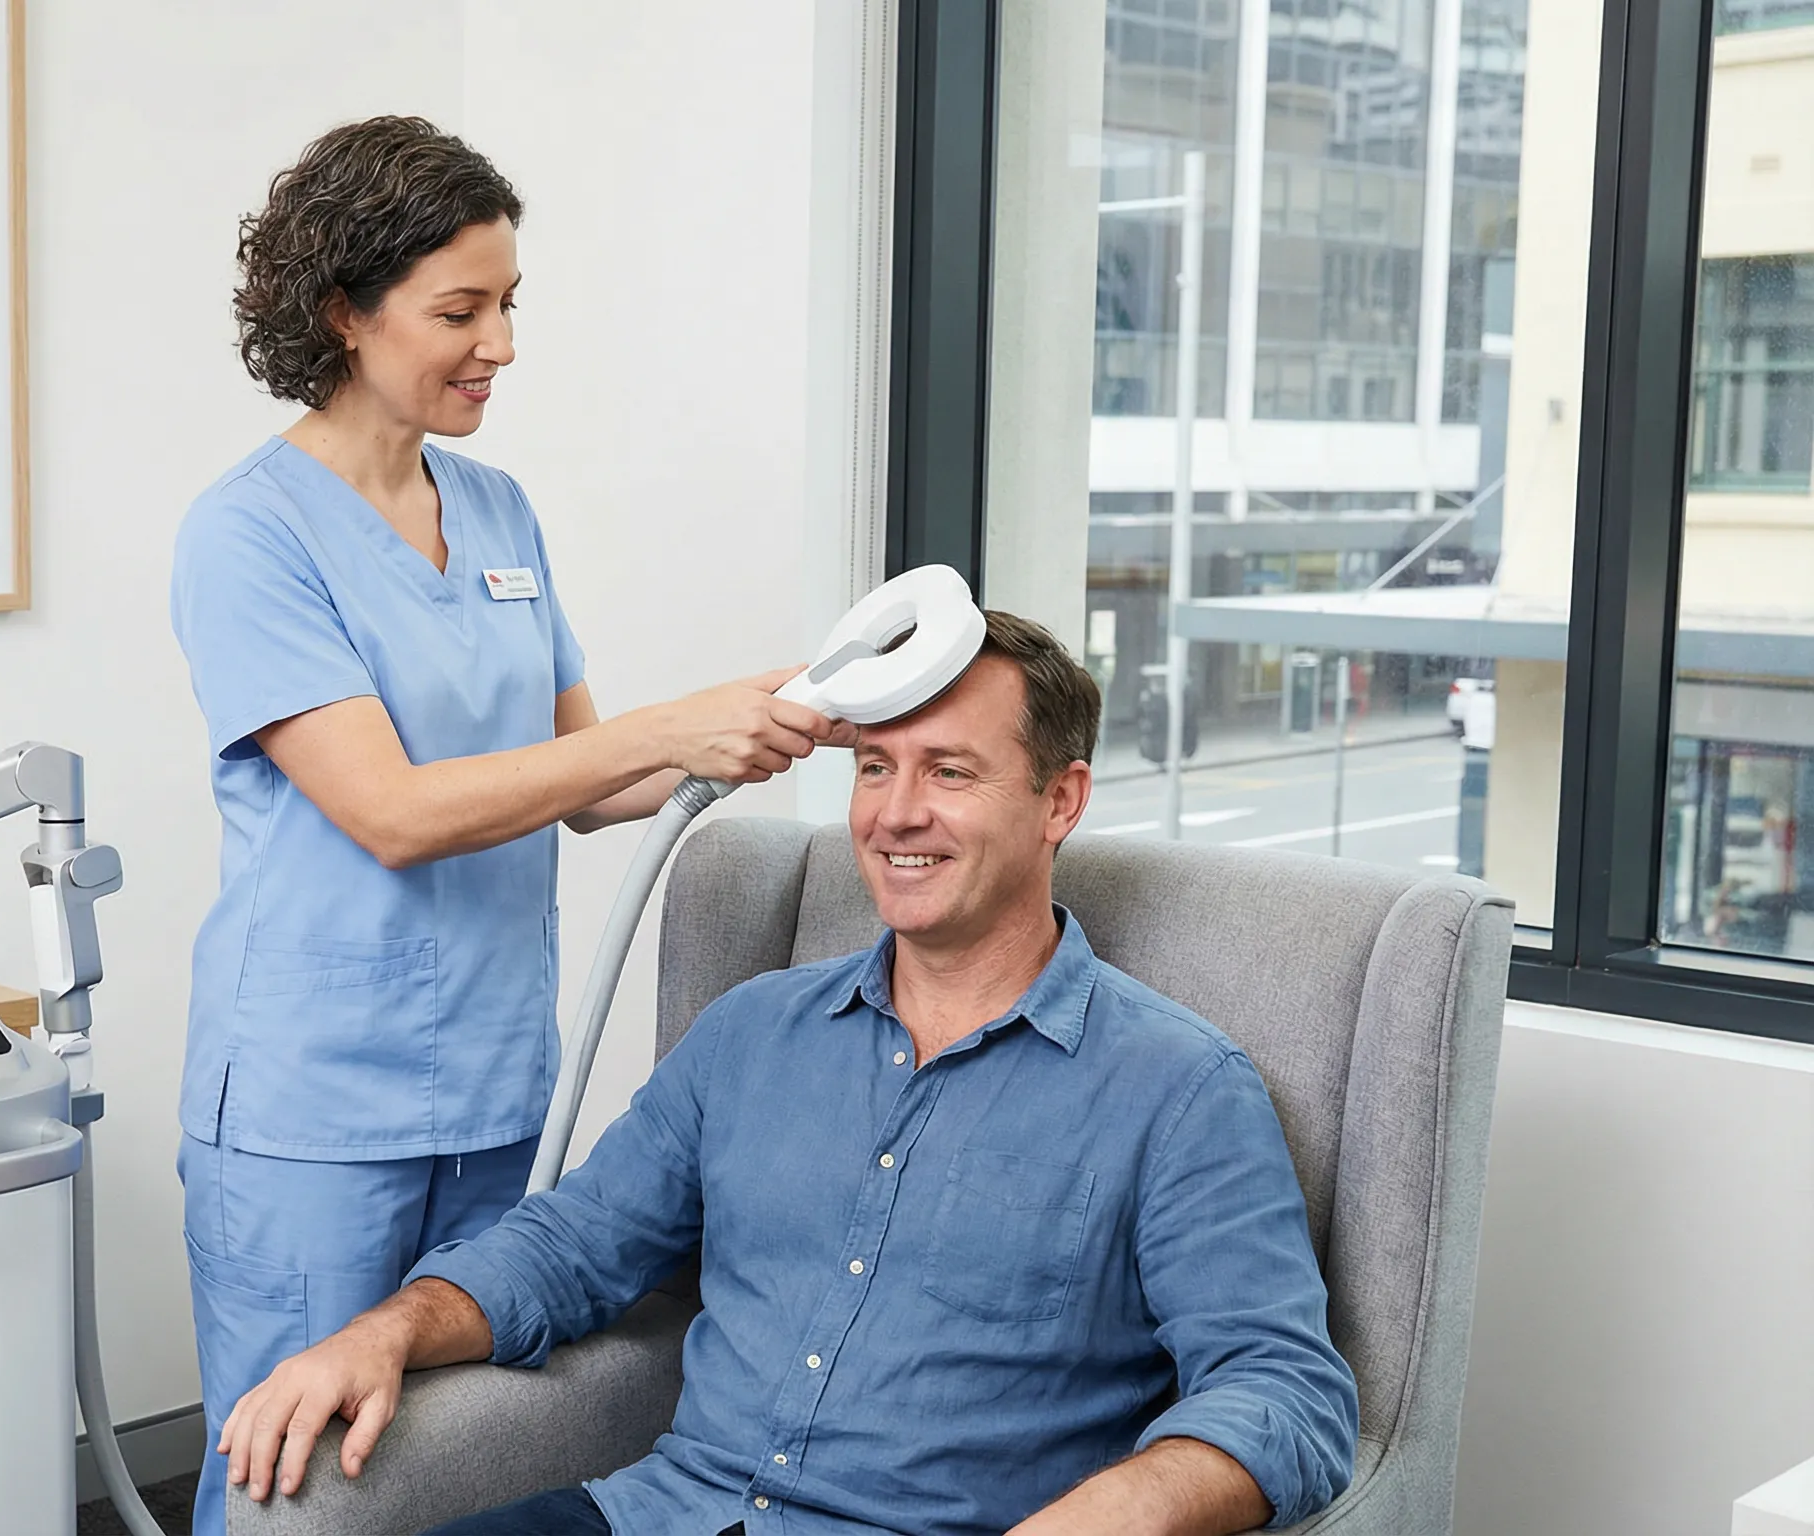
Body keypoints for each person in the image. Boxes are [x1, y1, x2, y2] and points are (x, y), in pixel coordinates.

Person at [217, 612, 1361, 1536]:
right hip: (657, 1516)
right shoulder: (751, 1034)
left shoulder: (1177, 1091)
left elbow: (1287, 1397)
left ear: (1059, 799)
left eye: (949, 771)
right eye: (874, 768)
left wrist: (1117, 1509)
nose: (898, 813)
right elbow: (569, 1247)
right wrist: (387, 1330)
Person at [170, 115, 846, 1534]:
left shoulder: (496, 511)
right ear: (343, 313)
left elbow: (588, 779)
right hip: (316, 1110)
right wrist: (665, 729)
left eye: (510, 305)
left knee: (448, 1471)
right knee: (293, 1477)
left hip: (491, 1084)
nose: (501, 344)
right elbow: (394, 814)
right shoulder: (250, 536)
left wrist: (780, 715)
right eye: (460, 310)